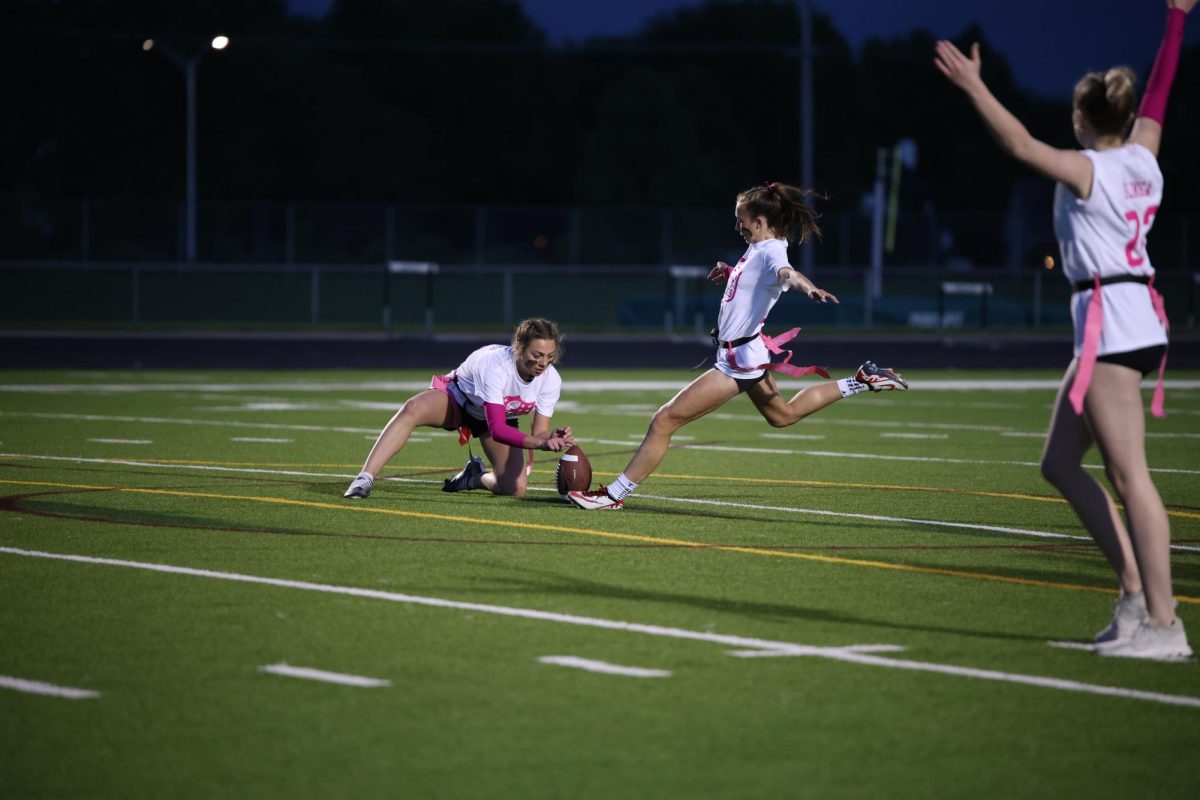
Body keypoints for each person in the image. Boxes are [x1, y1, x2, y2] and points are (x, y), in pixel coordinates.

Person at [934, 0, 1194, 661]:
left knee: (1131, 477)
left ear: (1081, 119)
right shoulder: (1144, 155)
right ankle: (1136, 599)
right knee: (1058, 463)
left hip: (1112, 323)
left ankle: (1165, 626)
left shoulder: (1091, 169)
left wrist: (972, 87)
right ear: (1128, 119)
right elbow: (1162, 89)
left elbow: (1020, 144)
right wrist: (1176, 17)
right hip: (1123, 319)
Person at [567, 181, 908, 512]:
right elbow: (756, 283)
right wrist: (730, 271)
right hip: (746, 354)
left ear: (759, 221)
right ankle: (862, 380)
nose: (737, 225)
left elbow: (787, 274)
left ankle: (613, 495)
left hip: (738, 363)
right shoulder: (757, 248)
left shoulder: (771, 250)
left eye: (740, 219)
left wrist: (810, 287)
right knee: (783, 415)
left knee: (664, 421)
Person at [343, 317, 574, 500]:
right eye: (537, 355)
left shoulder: (551, 379)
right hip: (458, 399)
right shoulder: (496, 365)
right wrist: (542, 443)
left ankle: (474, 478)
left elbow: (540, 433)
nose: (543, 363)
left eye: (550, 356)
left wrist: (550, 438)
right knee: (412, 408)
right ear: (519, 349)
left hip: (496, 417)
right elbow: (499, 430)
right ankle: (364, 478)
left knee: (515, 488)